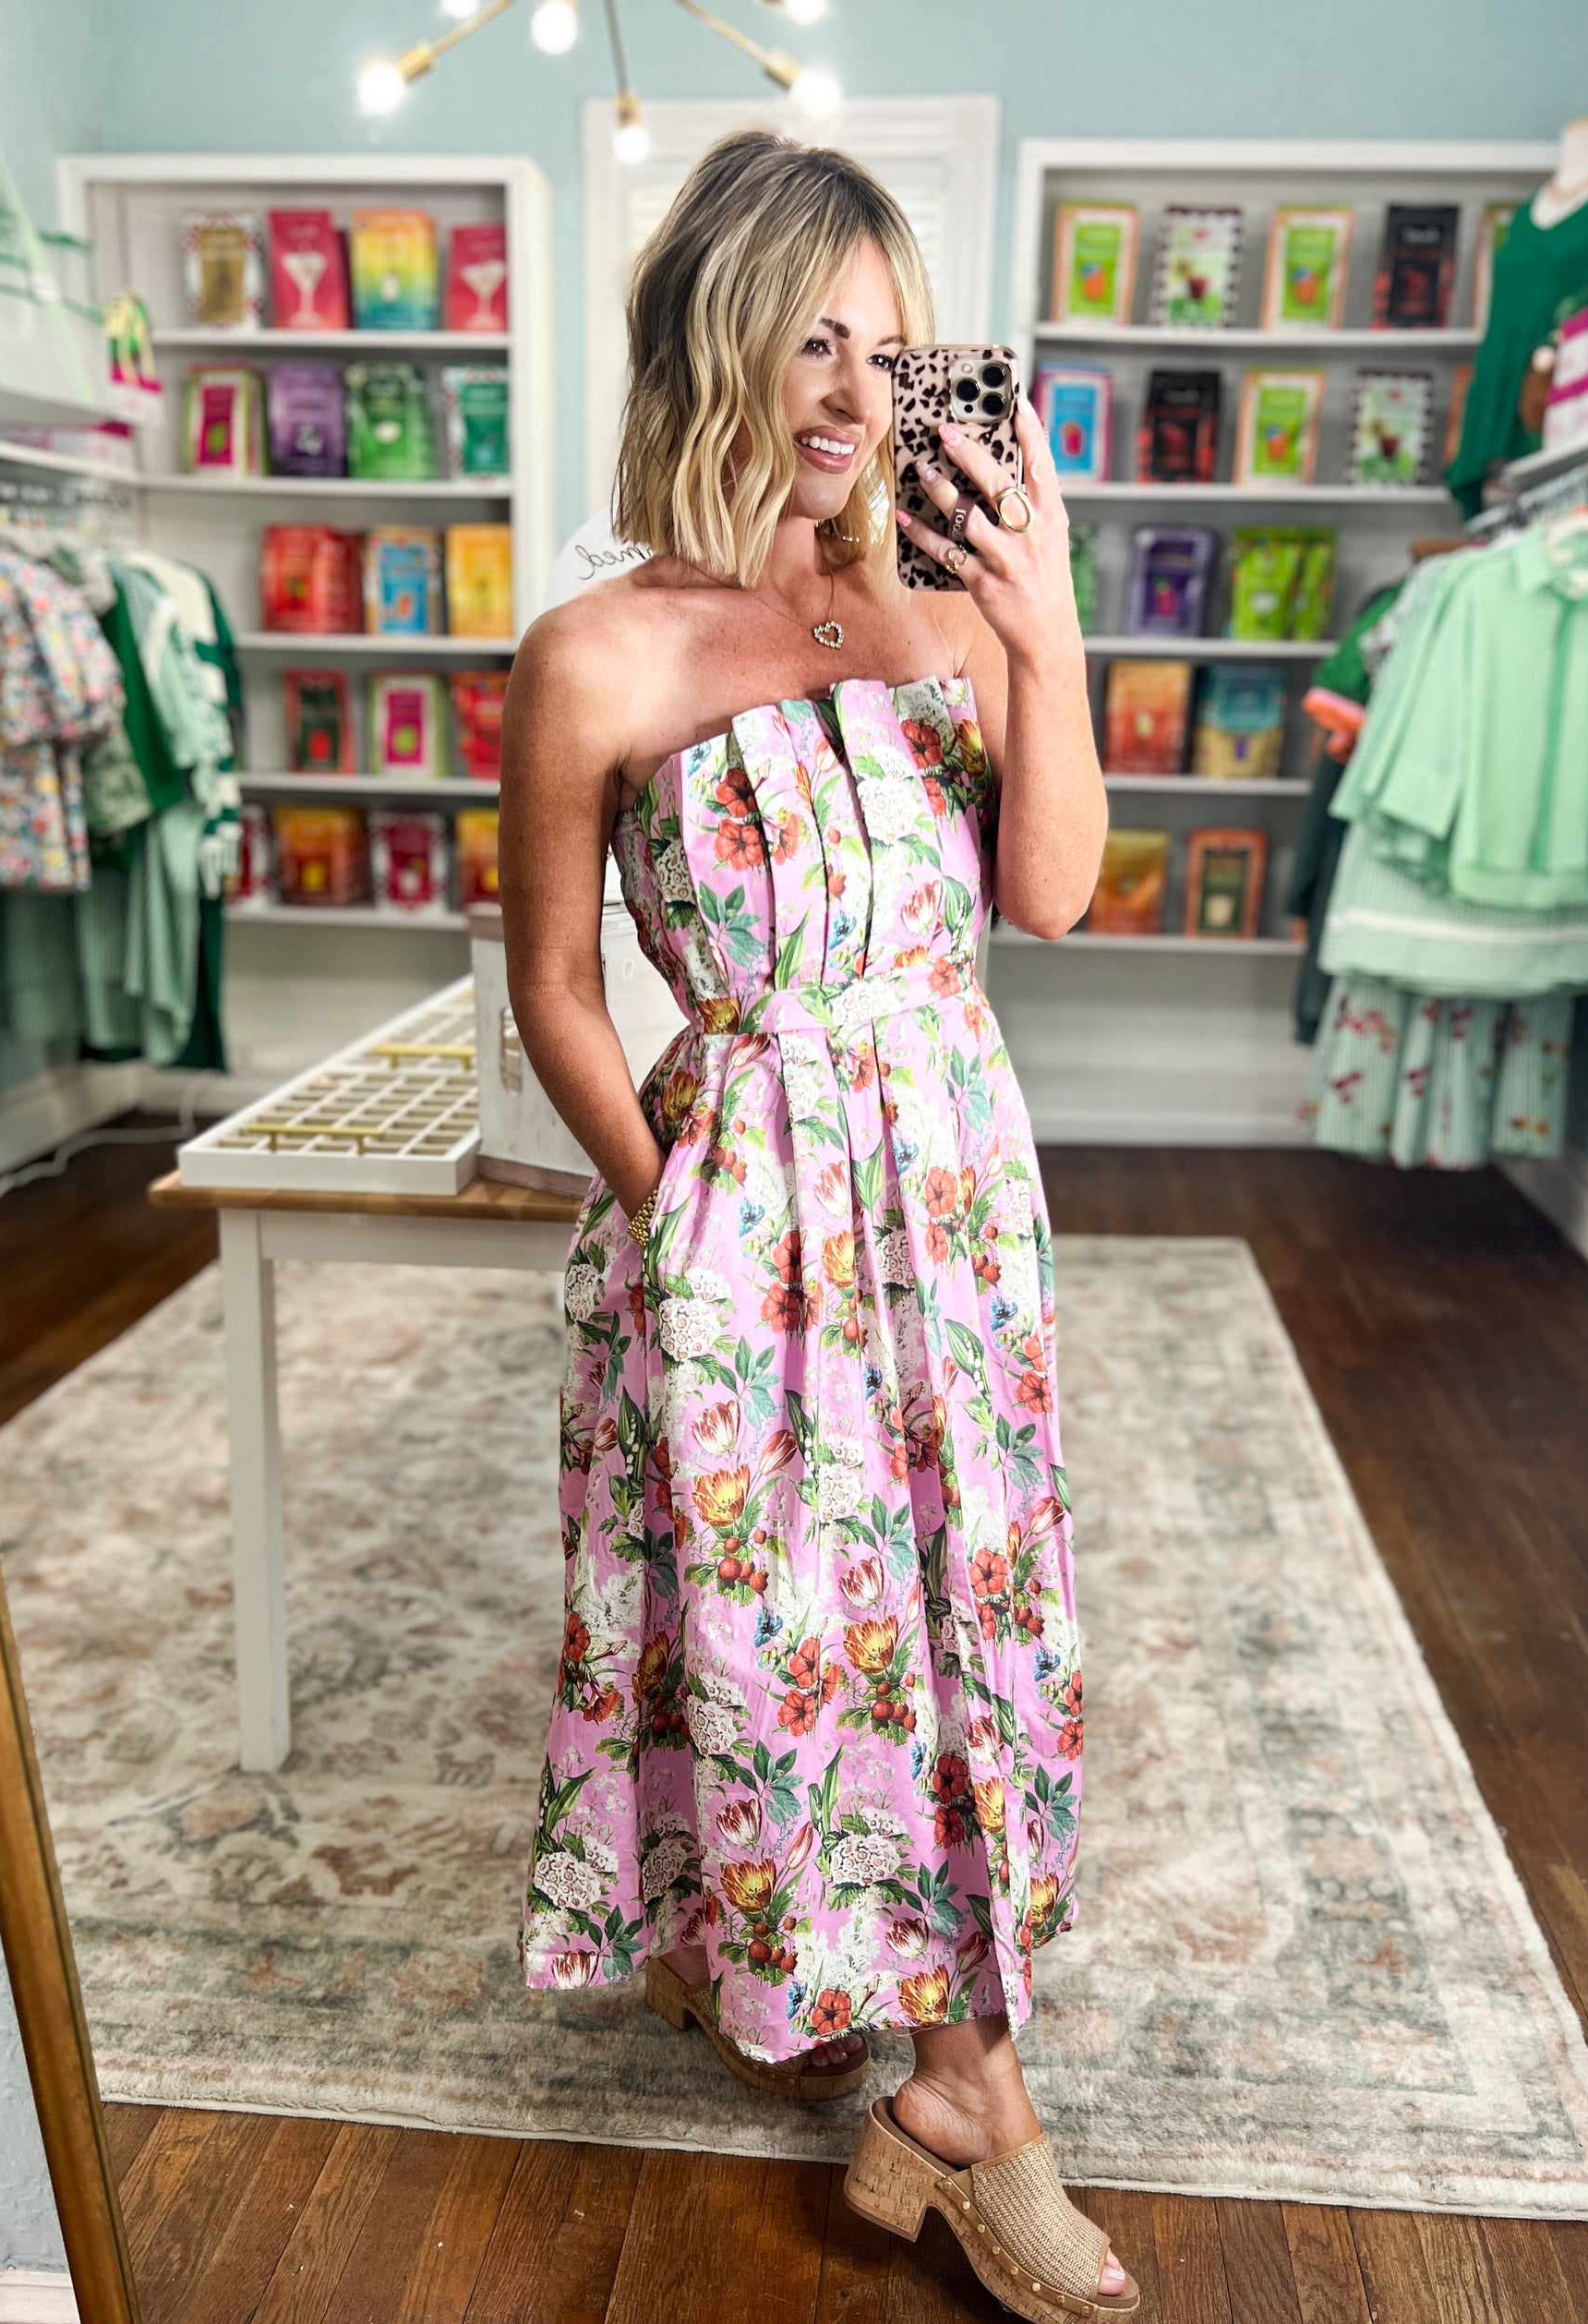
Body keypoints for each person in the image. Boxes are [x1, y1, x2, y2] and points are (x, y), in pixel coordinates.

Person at [501, 130, 1129, 2322]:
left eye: (893, 345)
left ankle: (942, 2075)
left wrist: (1042, 621)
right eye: (813, 341)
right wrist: (668, 1210)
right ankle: (963, 2093)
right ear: (720, 343)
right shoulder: (598, 651)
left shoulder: (951, 605)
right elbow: (556, 985)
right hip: (742, 1206)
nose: (859, 392)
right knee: (795, 1630)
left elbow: (1052, 893)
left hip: (952, 1186)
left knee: (965, 1614)